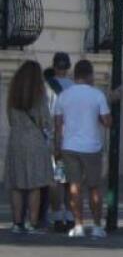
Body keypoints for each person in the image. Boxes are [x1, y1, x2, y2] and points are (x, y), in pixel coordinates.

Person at [53, 60, 111, 238]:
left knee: (74, 186)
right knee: (94, 187)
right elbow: (107, 122)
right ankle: (96, 226)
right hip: (92, 147)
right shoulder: (97, 95)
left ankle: (78, 225)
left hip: (69, 147)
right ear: (90, 75)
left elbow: (57, 124)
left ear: (74, 75)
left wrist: (57, 148)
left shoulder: (63, 96)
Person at [5, 60, 53, 234]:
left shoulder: (13, 93)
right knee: (35, 184)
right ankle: (33, 223)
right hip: (34, 141)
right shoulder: (39, 95)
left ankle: (17, 223)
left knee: (17, 184)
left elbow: (10, 117)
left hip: (16, 140)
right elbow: (46, 120)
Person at [42, 53, 75, 232]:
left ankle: (57, 217)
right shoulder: (74, 87)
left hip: (54, 140)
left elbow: (50, 117)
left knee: (56, 180)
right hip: (72, 140)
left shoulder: (46, 87)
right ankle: (70, 215)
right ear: (68, 67)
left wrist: (55, 143)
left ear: (54, 66)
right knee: (70, 180)